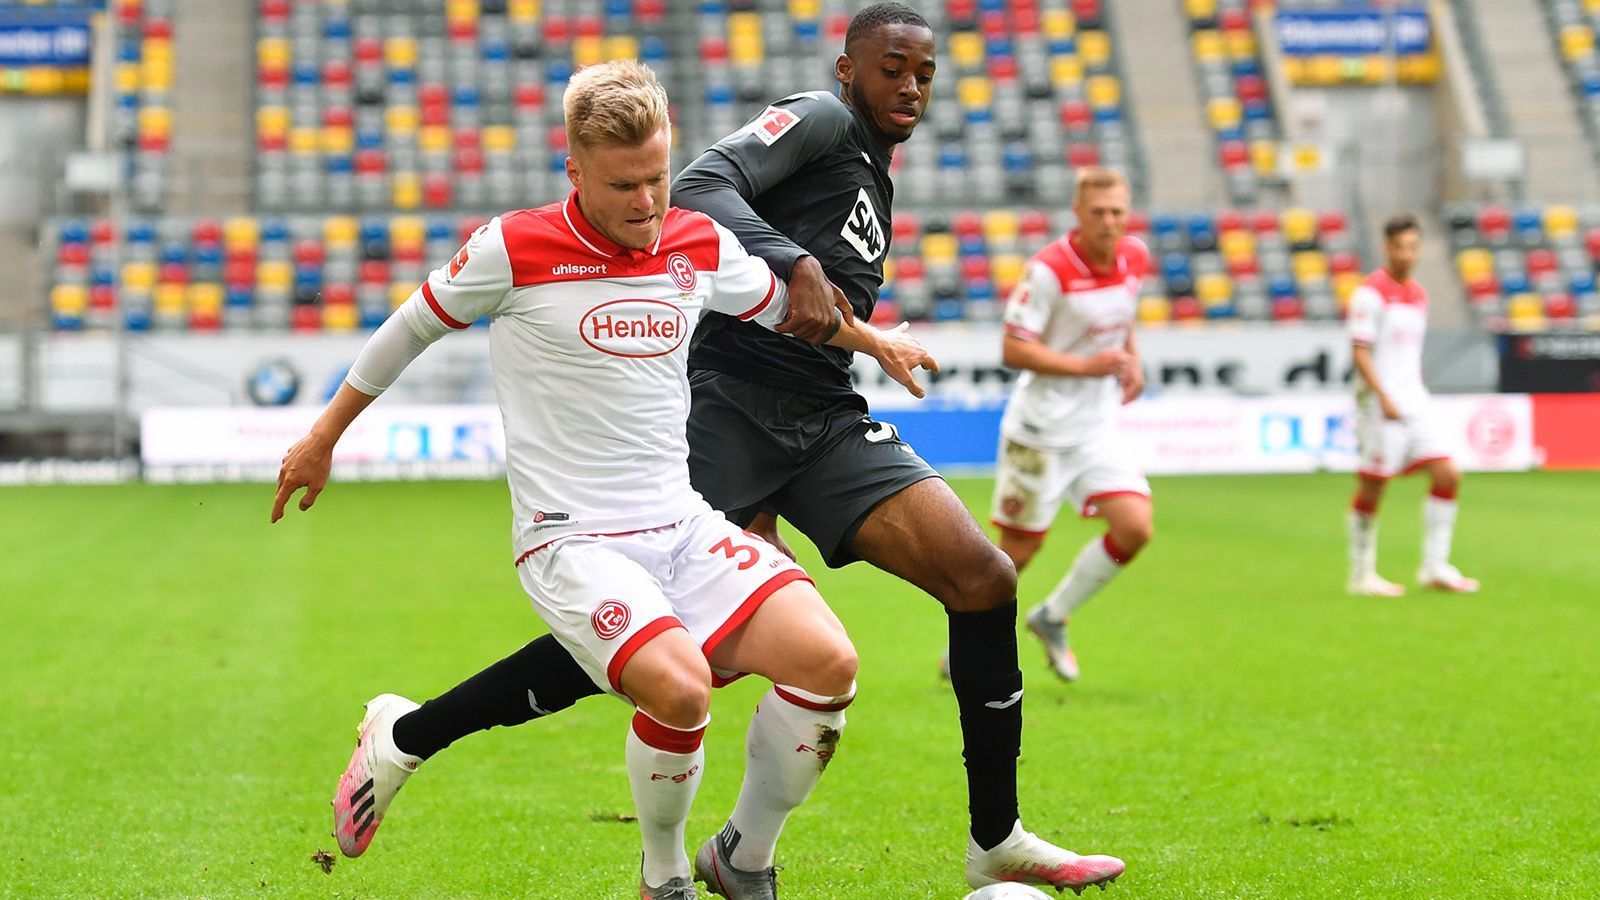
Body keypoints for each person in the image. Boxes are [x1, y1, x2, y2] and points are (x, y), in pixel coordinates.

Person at [312, 5, 1125, 895]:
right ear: (849, 69)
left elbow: (723, 245)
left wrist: (873, 339)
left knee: (981, 580)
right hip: (726, 411)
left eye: (924, 72)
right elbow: (706, 182)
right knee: (667, 663)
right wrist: (793, 260)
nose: (911, 86)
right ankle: (418, 742)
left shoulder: (866, 173)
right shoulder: (817, 119)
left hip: (821, 414)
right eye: (892, 68)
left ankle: (986, 836)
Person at [271, 60, 936, 899]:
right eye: (624, 185)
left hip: (681, 523)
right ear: (575, 170)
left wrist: (880, 345)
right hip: (571, 538)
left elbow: (788, 307)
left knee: (828, 662)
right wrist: (323, 436)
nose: (647, 202)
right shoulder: (513, 247)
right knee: (681, 685)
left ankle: (744, 859)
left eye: (658, 177)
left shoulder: (697, 241)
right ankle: (664, 879)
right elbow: (407, 330)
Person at [984, 167, 1153, 684]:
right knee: (1015, 555)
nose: (1108, 222)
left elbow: (1122, 320)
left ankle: (1052, 618)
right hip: (1039, 431)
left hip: (1095, 427)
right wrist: (1089, 366)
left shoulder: (1136, 257)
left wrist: (1132, 360)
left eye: (1117, 212)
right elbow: (1013, 348)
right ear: (1078, 213)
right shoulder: (1049, 270)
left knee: (1135, 528)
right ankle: (966, 643)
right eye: (1098, 212)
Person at [1345, 214, 1479, 597]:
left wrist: (1413, 389)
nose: (1407, 254)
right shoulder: (1369, 294)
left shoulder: (1419, 294)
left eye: (1413, 247)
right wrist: (1382, 394)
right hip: (1378, 405)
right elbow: (1360, 351)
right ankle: (1361, 574)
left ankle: (1435, 566)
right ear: (1387, 247)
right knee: (1374, 485)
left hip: (1415, 401)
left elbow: (1408, 353)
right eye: (1400, 247)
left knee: (1448, 474)